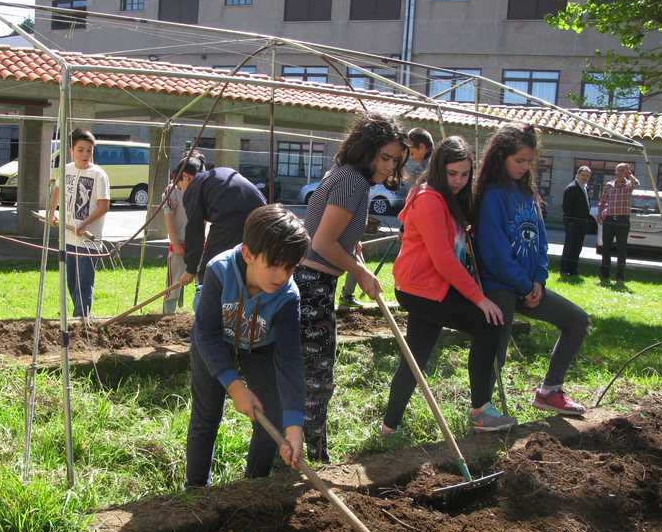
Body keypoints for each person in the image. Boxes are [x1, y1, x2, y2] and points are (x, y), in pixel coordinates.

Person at [296, 113, 408, 462]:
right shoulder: (353, 183)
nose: (390, 167)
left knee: (311, 375)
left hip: (312, 283)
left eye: (396, 161)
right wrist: (359, 271)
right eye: (385, 157)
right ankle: (312, 460)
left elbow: (330, 233)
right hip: (313, 286)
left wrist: (351, 245)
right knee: (317, 380)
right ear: (366, 150)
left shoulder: (343, 174)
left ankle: (299, 453)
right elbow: (322, 242)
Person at [381, 136, 511, 435]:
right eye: (452, 174)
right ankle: (480, 411)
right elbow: (444, 260)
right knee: (490, 324)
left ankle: (389, 427)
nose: (459, 180)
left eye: (465, 174)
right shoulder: (429, 199)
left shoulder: (446, 198)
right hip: (422, 289)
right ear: (440, 168)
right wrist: (479, 299)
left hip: (424, 287)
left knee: (415, 357)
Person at [185, 204, 310, 487]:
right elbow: (205, 332)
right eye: (275, 264)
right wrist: (234, 385)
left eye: (290, 267)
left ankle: (254, 487)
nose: (282, 275)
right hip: (214, 342)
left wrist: (293, 425)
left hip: (260, 346)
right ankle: (195, 489)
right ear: (248, 254)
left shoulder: (288, 296)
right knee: (206, 417)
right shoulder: (220, 271)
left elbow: (289, 359)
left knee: (271, 418)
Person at [473, 123, 589, 416]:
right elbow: (495, 252)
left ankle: (550, 392)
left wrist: (538, 279)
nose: (525, 167)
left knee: (577, 321)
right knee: (495, 349)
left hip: (529, 286)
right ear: (501, 157)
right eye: (519, 161)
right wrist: (524, 285)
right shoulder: (491, 195)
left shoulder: (527, 193)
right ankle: (482, 409)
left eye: (529, 162)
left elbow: (539, 241)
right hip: (499, 285)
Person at [176, 160, 266, 297]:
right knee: (244, 264)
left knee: (210, 268)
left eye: (179, 186)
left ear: (186, 176)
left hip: (233, 217)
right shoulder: (217, 175)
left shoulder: (194, 186)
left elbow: (195, 231)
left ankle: (205, 311)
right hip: (261, 212)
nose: (182, 191)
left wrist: (191, 269)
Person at [49, 128, 110, 318]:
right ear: (71, 151)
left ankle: (81, 318)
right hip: (68, 238)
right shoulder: (66, 170)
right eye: (81, 150)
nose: (85, 154)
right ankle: (78, 316)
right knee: (71, 282)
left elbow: (103, 206)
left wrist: (84, 225)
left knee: (83, 283)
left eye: (89, 150)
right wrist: (52, 212)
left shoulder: (99, 175)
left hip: (88, 241)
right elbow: (57, 190)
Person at [598, 163, 638, 284]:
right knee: (605, 248)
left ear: (626, 172)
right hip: (609, 219)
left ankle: (620, 277)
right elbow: (603, 201)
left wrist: (630, 174)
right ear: (615, 171)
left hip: (622, 220)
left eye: (623, 171)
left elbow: (637, 183)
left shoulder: (629, 185)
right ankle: (604, 274)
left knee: (621, 249)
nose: (620, 172)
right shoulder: (609, 185)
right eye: (619, 170)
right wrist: (599, 213)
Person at [162, 168, 188, 314]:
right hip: (178, 242)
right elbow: (168, 218)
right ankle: (167, 317)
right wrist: (175, 243)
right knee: (173, 286)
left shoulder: (199, 189)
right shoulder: (171, 192)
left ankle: (200, 318)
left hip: (196, 243)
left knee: (202, 285)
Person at [560, 166, 592, 277]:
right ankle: (564, 270)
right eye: (583, 175)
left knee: (577, 247)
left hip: (582, 223)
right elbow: (566, 207)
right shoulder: (571, 188)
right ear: (577, 175)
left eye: (587, 176)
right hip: (573, 223)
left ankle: (573, 270)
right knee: (569, 247)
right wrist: (570, 222)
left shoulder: (585, 187)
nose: (585, 177)